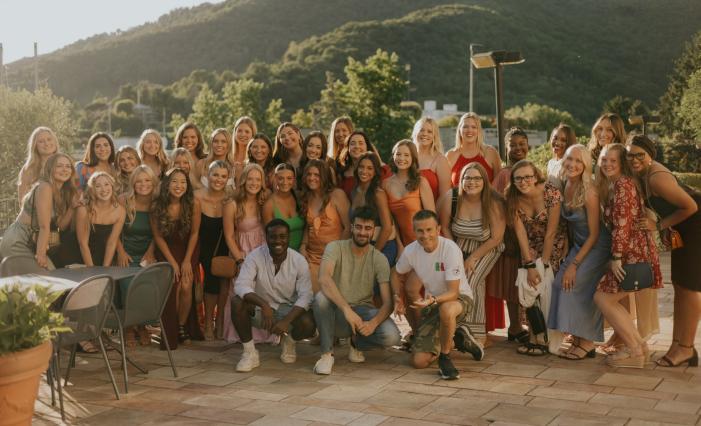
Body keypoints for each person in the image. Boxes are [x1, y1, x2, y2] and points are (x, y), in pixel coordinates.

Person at [627, 135, 700, 367]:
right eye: (631, 154)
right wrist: (670, 225)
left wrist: (659, 225)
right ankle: (678, 345)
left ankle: (686, 349)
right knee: (679, 284)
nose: (635, 159)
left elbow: (691, 206)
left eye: (641, 154)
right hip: (685, 226)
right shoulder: (641, 176)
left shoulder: (656, 178)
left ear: (651, 156)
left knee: (689, 288)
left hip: (697, 224)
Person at [594, 143, 663, 368]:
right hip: (634, 249)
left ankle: (635, 351)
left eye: (613, 160)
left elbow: (623, 224)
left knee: (603, 298)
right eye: (604, 159)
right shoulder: (619, 184)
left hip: (629, 252)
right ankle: (639, 347)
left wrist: (616, 257)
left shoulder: (623, 184)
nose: (607, 164)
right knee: (608, 298)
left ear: (622, 163)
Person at [392, 210, 481, 379]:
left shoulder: (450, 249)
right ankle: (459, 339)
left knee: (446, 310)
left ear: (438, 229)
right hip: (433, 303)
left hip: (459, 300)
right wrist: (397, 296)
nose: (425, 235)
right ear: (414, 231)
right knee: (418, 362)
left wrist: (431, 300)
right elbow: (396, 273)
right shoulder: (411, 251)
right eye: (420, 230)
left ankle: (445, 358)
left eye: (429, 230)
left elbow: (453, 293)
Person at [312, 206, 401, 375]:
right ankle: (326, 355)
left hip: (362, 313)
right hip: (336, 311)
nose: (362, 232)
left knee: (392, 336)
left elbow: (388, 302)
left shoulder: (379, 259)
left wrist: (372, 324)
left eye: (368, 228)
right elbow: (324, 278)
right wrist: (346, 309)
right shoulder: (335, 247)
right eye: (358, 227)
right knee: (320, 298)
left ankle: (356, 343)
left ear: (373, 231)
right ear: (352, 227)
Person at [548, 144, 610, 358]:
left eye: (578, 161)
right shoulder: (564, 183)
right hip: (578, 243)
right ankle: (575, 336)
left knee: (574, 285)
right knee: (559, 284)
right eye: (569, 159)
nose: (573, 165)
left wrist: (574, 265)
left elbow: (594, 234)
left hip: (597, 246)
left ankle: (588, 343)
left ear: (585, 165)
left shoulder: (589, 191)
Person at [232, 219, 316, 372]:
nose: (278, 241)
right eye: (273, 237)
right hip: (260, 311)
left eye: (282, 236)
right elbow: (240, 285)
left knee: (309, 323)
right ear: (266, 237)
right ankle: (250, 353)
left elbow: (306, 296)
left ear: (289, 237)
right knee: (237, 302)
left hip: (287, 310)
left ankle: (289, 342)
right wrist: (264, 305)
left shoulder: (298, 261)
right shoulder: (254, 256)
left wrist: (286, 321)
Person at [506, 160, 568, 355]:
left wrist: (544, 265)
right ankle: (535, 336)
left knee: (545, 286)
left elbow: (551, 232)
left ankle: (545, 338)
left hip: (554, 243)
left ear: (536, 177)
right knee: (529, 284)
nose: (523, 181)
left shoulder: (551, 193)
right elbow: (520, 233)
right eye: (518, 178)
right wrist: (530, 263)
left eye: (527, 177)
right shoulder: (512, 197)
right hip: (529, 245)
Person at [438, 163, 504, 344]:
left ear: (484, 180)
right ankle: (475, 334)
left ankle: (468, 332)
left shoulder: (493, 202)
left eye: (477, 178)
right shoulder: (451, 197)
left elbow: (496, 238)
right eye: (467, 178)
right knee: (460, 282)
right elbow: (444, 227)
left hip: (487, 246)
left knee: (471, 280)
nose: (472, 182)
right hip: (458, 245)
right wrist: (456, 255)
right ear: (461, 180)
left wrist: (472, 258)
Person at [222, 163, 276, 344]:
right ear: (244, 180)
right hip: (242, 253)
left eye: (258, 179)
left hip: (263, 253)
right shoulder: (232, 204)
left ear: (262, 182)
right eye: (250, 179)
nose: (254, 183)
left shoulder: (265, 200)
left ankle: (265, 334)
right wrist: (239, 260)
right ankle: (239, 334)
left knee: (264, 292)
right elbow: (229, 236)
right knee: (242, 293)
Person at [151, 168, 203, 349]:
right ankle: (170, 329)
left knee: (186, 283)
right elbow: (158, 237)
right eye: (174, 181)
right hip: (167, 249)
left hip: (188, 247)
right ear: (167, 184)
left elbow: (195, 233)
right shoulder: (157, 205)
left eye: (183, 182)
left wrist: (187, 260)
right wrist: (172, 262)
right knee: (174, 284)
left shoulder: (194, 203)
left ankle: (181, 326)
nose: (179, 185)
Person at [1, 153, 78, 269]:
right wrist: (41, 255)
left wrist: (72, 207)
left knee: (48, 279)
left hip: (34, 241)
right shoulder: (45, 187)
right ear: (50, 168)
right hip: (20, 240)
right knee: (42, 280)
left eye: (68, 166)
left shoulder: (62, 192)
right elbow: (43, 226)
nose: (64, 169)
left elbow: (61, 226)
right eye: (59, 166)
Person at [491, 128, 529, 343]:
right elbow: (495, 205)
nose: (518, 148)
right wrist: (506, 235)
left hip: (530, 236)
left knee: (525, 282)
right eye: (513, 145)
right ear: (506, 148)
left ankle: (520, 325)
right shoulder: (504, 174)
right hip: (511, 238)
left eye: (522, 143)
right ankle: (514, 326)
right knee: (512, 283)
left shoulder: (531, 170)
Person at [116, 165, 157, 347]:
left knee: (146, 285)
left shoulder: (157, 202)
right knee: (127, 283)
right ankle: (129, 327)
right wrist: (120, 251)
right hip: (127, 252)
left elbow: (159, 233)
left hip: (147, 252)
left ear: (153, 182)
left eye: (147, 180)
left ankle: (142, 325)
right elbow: (113, 231)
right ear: (133, 183)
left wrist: (151, 252)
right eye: (139, 181)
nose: (143, 184)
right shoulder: (124, 200)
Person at [299, 160, 350, 293]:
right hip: (312, 257)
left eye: (317, 175)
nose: (312, 178)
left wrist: (337, 254)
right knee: (313, 296)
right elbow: (309, 226)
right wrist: (303, 246)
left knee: (330, 296)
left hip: (335, 256)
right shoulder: (306, 197)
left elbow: (348, 227)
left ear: (324, 176)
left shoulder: (337, 195)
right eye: (309, 174)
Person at [195, 161, 231, 341]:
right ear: (207, 175)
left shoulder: (230, 197)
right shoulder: (197, 197)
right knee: (209, 284)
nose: (219, 179)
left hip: (224, 244)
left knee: (224, 285)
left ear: (228, 178)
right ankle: (208, 322)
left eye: (223, 176)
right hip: (202, 245)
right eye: (215, 175)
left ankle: (221, 322)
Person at [383, 140, 435, 251]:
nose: (402, 158)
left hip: (427, 241)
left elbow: (432, 218)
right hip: (404, 245)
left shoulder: (421, 182)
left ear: (413, 158)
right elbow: (391, 221)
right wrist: (400, 246)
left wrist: (429, 245)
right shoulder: (385, 184)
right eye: (398, 154)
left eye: (406, 155)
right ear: (393, 156)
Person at [350, 153, 397, 266]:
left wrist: (371, 254)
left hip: (382, 245)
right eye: (361, 167)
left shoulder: (378, 194)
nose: (364, 171)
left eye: (369, 168)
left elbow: (387, 228)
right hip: (361, 245)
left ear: (375, 171)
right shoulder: (354, 192)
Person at [75, 172, 126, 267]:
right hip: (81, 257)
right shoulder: (84, 209)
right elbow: (83, 243)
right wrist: (91, 269)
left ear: (112, 186)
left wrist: (105, 268)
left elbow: (112, 242)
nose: (104, 189)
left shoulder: (120, 211)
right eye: (98, 186)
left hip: (105, 257)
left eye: (107, 184)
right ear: (92, 190)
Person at [447, 112, 501, 185]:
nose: (469, 130)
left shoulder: (491, 153)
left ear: (479, 131)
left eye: (474, 127)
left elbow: (499, 187)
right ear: (459, 130)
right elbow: (446, 190)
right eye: (465, 127)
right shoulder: (450, 155)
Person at [262, 163, 305, 251]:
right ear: (275, 179)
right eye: (281, 178)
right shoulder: (269, 205)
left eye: (289, 178)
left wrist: (304, 246)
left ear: (294, 180)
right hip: (281, 254)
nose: (285, 182)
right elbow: (270, 237)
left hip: (304, 251)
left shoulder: (300, 197)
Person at [336, 131, 389, 198]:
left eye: (361, 143)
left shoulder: (380, 169)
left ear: (367, 147)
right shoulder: (342, 174)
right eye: (352, 143)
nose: (357, 146)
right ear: (347, 148)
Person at [412, 117, 451, 202]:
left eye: (429, 131)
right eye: (421, 130)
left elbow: (445, 197)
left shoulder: (440, 160)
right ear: (415, 132)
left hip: (431, 212)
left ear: (434, 135)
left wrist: (432, 214)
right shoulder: (407, 156)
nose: (425, 134)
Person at [17, 127, 59, 202]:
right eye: (41, 141)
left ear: (55, 141)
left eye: (49, 139)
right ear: (35, 146)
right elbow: (22, 200)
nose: (46, 144)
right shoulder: (29, 168)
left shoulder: (65, 164)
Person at [232, 116, 257, 182]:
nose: (243, 134)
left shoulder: (257, 158)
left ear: (252, 135)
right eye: (239, 131)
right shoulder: (228, 155)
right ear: (235, 133)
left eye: (247, 132)